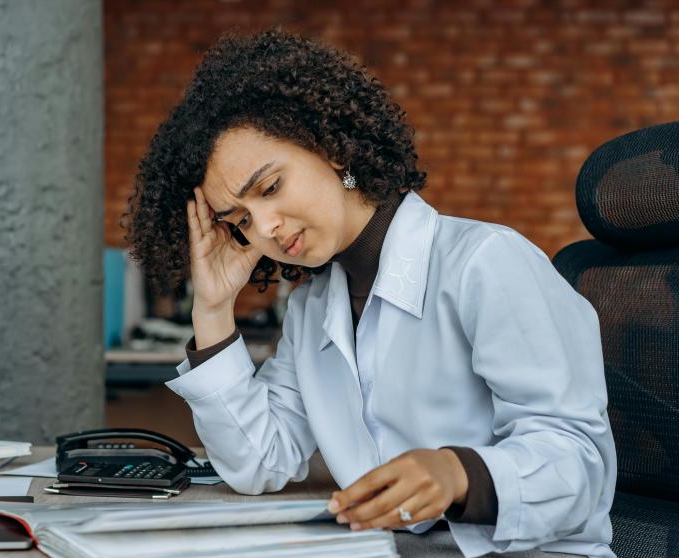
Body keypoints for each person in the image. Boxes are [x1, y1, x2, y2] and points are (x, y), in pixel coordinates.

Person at [123, 29, 616, 558]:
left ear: (331, 148)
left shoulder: (484, 262)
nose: (265, 227)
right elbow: (259, 464)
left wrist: (458, 474)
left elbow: (581, 464)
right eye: (239, 220)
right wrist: (214, 307)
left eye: (270, 189)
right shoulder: (311, 307)